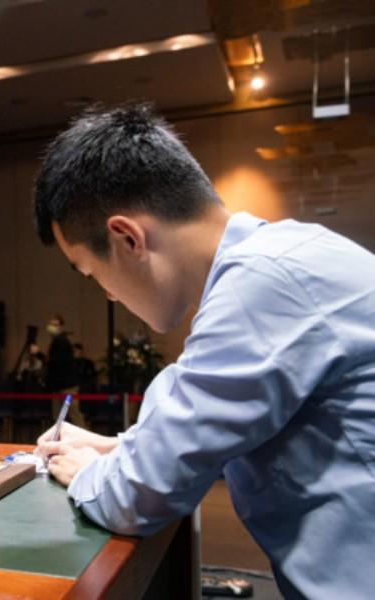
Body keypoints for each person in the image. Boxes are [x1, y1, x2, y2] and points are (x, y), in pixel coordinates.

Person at [32, 103, 375, 599]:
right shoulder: (286, 255)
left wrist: (89, 473)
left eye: (93, 275)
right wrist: (118, 447)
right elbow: (203, 422)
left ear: (127, 238)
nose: (108, 294)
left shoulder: (261, 286)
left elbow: (140, 493)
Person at [44, 315, 86, 427]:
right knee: (58, 418)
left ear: (61, 327)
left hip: (67, 386)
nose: (52, 327)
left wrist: (41, 356)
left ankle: (82, 436)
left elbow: (56, 362)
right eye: (51, 324)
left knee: (74, 415)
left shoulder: (61, 341)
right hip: (58, 386)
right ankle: (57, 436)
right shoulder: (56, 341)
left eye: (55, 325)